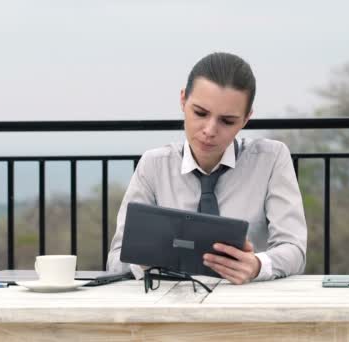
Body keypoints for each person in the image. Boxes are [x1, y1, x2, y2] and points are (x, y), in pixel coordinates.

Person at [107, 52, 307, 284]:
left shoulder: (271, 159)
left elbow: (294, 249)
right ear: (183, 100)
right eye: (200, 113)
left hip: (246, 302)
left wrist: (257, 266)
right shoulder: (153, 166)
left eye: (227, 121)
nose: (210, 130)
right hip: (169, 303)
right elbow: (116, 261)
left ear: (246, 119)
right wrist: (146, 257)